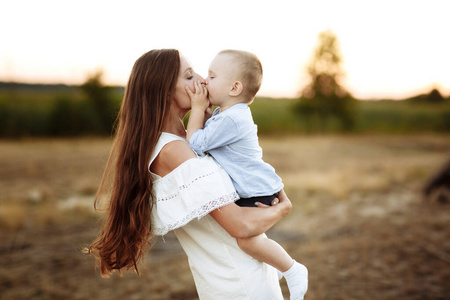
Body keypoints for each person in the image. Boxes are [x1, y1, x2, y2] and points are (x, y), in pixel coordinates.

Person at [87, 49, 293, 299]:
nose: (202, 80)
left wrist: (203, 120)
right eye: (188, 76)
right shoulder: (173, 150)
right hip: (237, 283)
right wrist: (282, 208)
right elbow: (240, 224)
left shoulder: (182, 141)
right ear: (164, 92)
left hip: (239, 276)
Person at [185, 49, 308, 300]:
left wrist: (197, 109)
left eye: (212, 75)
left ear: (234, 88)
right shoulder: (227, 114)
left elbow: (195, 145)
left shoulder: (233, 119)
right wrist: (207, 113)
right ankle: (280, 265)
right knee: (253, 239)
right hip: (255, 185)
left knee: (246, 240)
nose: (205, 81)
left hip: (256, 189)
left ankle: (292, 269)